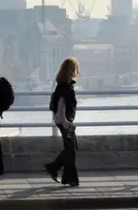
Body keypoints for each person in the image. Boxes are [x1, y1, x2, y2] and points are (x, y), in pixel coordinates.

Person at [45, 58, 80, 186]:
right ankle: (70, 178)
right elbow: (61, 102)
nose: (77, 71)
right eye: (76, 68)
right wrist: (64, 119)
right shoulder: (65, 86)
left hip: (63, 120)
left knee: (72, 147)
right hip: (64, 121)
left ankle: (55, 168)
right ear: (71, 70)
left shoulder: (63, 84)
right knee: (71, 149)